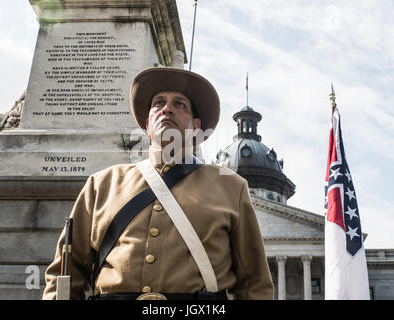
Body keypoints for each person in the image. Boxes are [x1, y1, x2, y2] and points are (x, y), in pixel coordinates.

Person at [42, 67, 274, 300]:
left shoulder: (231, 188)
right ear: (147, 123)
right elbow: (66, 276)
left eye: (180, 104)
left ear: (195, 126)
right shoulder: (101, 185)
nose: (167, 109)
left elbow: (254, 284)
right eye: (158, 103)